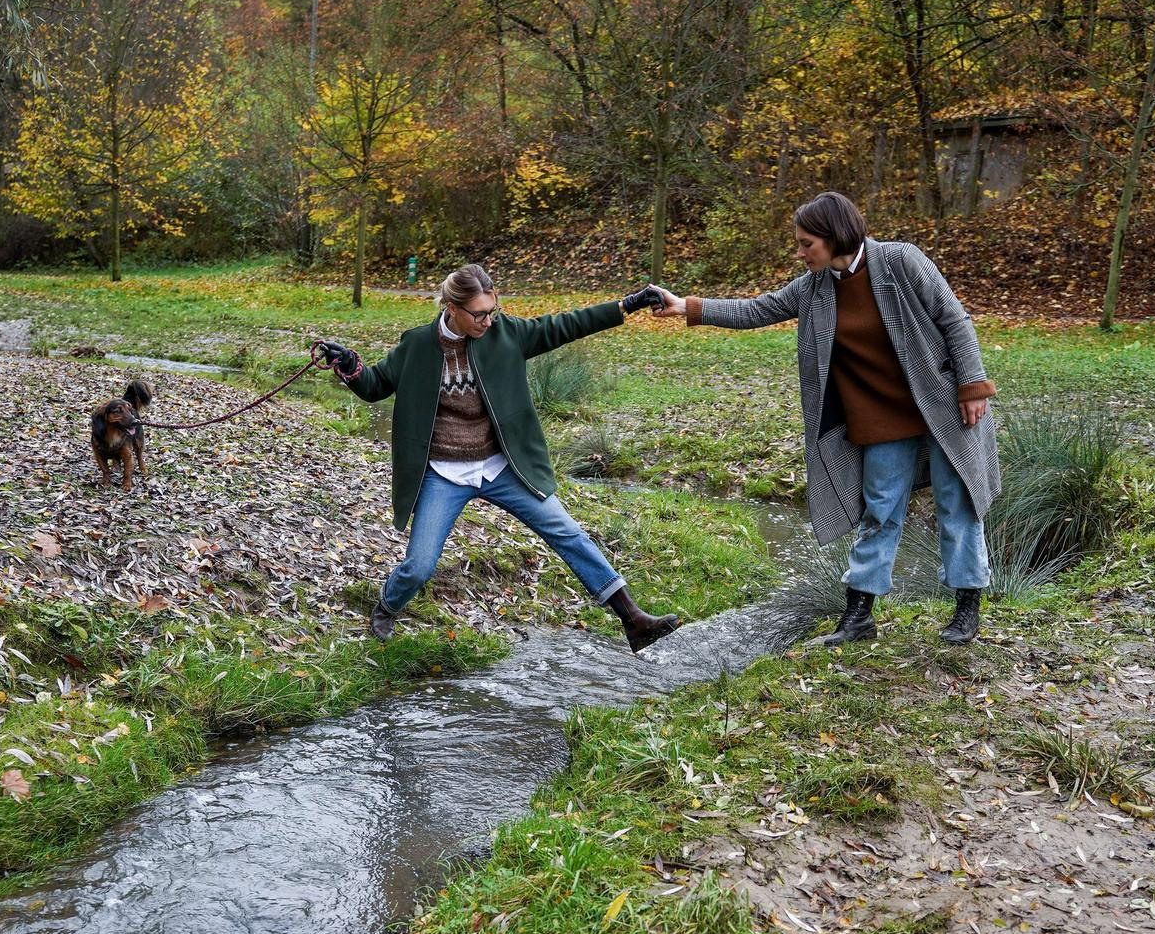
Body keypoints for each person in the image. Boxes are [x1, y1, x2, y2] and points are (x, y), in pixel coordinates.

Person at [650, 191, 1000, 646]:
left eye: (806, 244)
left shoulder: (900, 261)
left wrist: (973, 384)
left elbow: (954, 319)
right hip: (880, 418)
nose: (799, 253)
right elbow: (758, 309)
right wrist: (687, 307)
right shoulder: (814, 287)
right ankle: (858, 617)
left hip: (944, 406)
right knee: (879, 513)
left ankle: (966, 610)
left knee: (958, 506)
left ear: (836, 238)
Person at [319, 263, 682, 652]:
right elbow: (375, 386)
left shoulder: (508, 334)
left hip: (503, 467)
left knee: (569, 533)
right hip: (443, 474)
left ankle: (634, 621)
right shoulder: (417, 345)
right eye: (479, 314)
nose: (488, 320)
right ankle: (387, 606)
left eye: (492, 310)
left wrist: (626, 305)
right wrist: (350, 366)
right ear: (451, 307)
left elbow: (567, 325)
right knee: (420, 565)